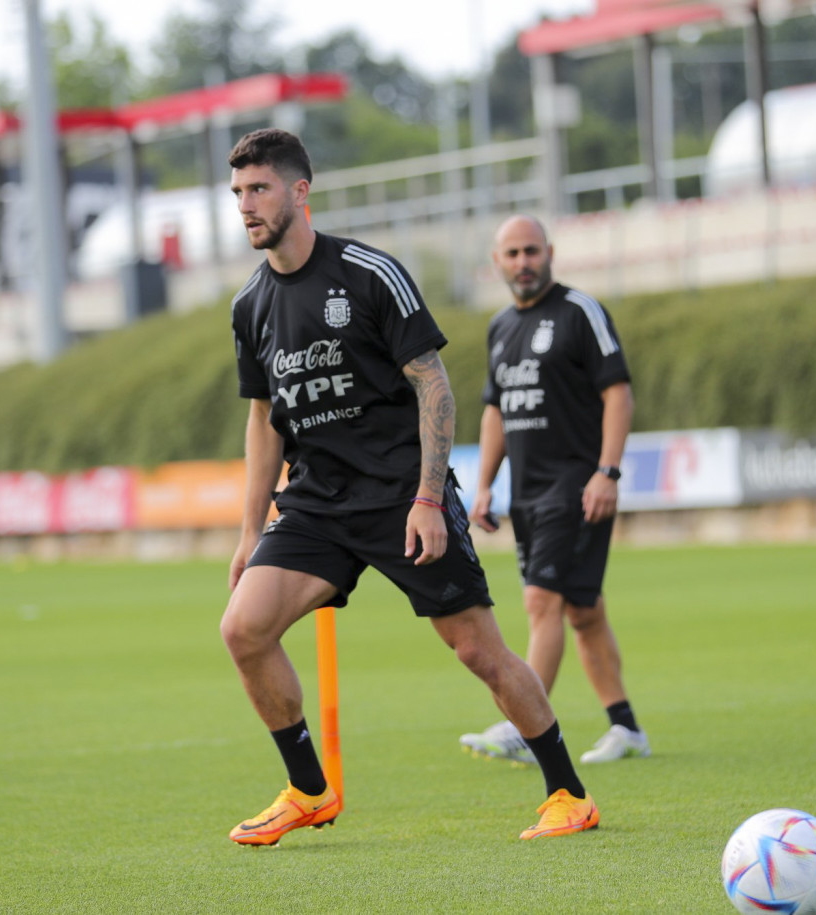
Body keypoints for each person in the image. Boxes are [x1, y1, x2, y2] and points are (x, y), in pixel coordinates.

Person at [220, 129, 598, 845]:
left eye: (259, 188)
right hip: (315, 504)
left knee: (478, 650)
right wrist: (249, 530)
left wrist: (429, 498)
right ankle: (308, 788)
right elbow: (263, 418)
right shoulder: (250, 306)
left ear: (300, 190)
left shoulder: (367, 273)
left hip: (401, 495)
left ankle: (568, 792)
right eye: (237, 192)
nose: (246, 205)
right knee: (242, 627)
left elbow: (433, 384)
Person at [461, 214, 650, 767]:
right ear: (497, 262)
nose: (523, 262)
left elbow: (618, 393)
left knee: (542, 601)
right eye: (512, 254)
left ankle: (525, 726)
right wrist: (484, 487)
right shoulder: (500, 327)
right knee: (583, 610)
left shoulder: (580, 312)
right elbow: (496, 409)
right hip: (527, 492)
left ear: (550, 252)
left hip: (575, 485)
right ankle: (627, 729)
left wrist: (606, 472)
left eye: (532, 251)